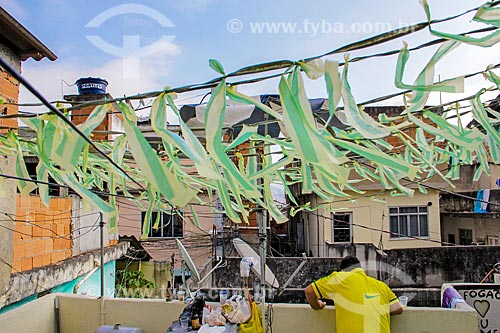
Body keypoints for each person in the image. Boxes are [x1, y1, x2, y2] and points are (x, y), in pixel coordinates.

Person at [304, 256, 403, 333]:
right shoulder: (381, 285)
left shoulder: (340, 278)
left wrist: (318, 305)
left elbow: (309, 292)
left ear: (343, 270)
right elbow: (398, 308)